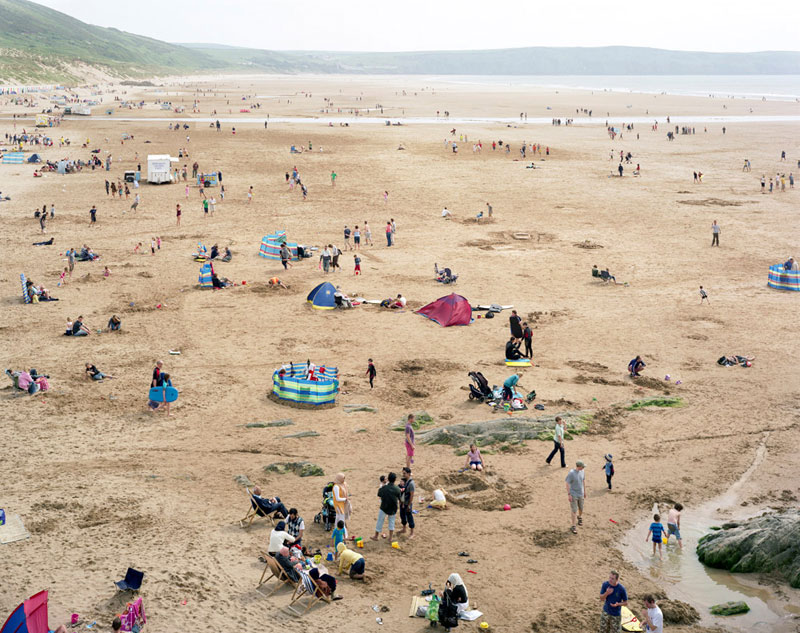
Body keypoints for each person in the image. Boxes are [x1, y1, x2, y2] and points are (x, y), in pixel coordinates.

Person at [371, 471, 401, 542]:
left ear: (388, 479)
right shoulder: (397, 489)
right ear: (395, 479)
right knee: (391, 522)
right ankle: (390, 537)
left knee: (380, 521)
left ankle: (376, 536)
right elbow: (399, 498)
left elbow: (379, 494)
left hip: (384, 507)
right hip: (393, 508)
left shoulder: (384, 488)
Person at [566, 460, 585, 535]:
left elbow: (583, 481)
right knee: (574, 510)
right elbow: (567, 484)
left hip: (581, 493)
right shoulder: (571, 473)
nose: (583, 468)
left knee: (581, 508)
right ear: (579, 467)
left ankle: (579, 517)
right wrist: (569, 494)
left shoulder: (583, 472)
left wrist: (585, 491)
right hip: (573, 494)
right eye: (582, 466)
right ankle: (573, 526)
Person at [398, 466, 415, 538]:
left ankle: (412, 533)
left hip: (407, 503)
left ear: (408, 474)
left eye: (404, 473)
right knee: (402, 515)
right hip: (402, 502)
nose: (403, 475)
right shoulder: (404, 481)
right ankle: (404, 528)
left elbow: (411, 495)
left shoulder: (411, 483)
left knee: (409, 517)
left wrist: (409, 505)